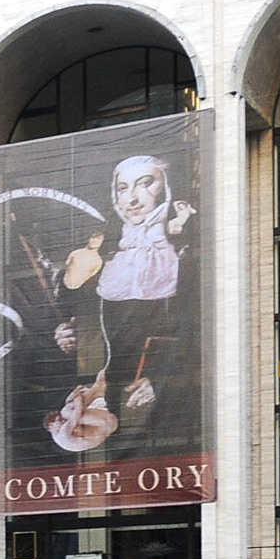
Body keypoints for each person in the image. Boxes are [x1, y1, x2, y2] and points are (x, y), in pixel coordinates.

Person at [44, 153, 196, 456]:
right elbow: (82, 314)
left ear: (166, 189)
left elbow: (199, 326)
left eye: (145, 184)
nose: (133, 199)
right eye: (123, 188)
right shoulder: (105, 252)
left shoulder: (186, 248)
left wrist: (163, 377)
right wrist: (65, 333)